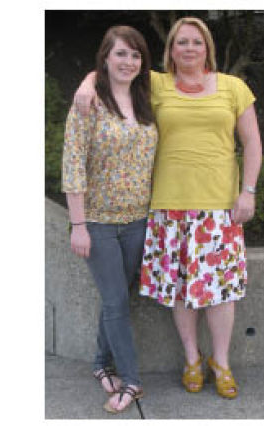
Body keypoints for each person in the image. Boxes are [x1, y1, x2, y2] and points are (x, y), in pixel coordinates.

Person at [74, 16, 262, 399]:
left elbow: (253, 144)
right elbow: (114, 69)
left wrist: (248, 191)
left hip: (219, 208)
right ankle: (192, 358)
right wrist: (87, 81)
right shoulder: (156, 83)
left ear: (206, 46)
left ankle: (220, 362)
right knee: (179, 289)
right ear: (170, 49)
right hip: (166, 208)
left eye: (196, 42)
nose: (189, 48)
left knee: (220, 292)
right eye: (181, 42)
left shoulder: (233, 87)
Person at [62, 25, 158, 414]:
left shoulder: (147, 97)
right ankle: (131, 381)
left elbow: (189, 70)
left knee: (119, 299)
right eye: (120, 54)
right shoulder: (89, 103)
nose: (128, 61)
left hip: (139, 221)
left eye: (135, 55)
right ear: (105, 57)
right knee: (117, 301)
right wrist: (79, 225)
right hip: (98, 223)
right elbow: (73, 165)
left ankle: (101, 364)